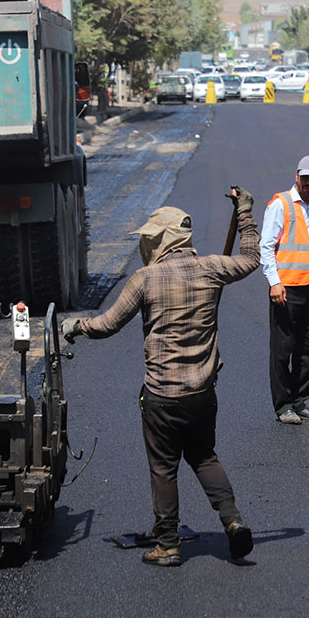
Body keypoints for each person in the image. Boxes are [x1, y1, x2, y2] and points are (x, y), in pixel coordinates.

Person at [63, 191, 260, 567]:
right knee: (203, 456)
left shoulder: (146, 278)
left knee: (163, 467)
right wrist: (245, 212)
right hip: (202, 393)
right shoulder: (212, 268)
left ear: (160, 240)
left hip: (161, 396)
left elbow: (107, 325)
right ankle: (233, 522)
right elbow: (251, 257)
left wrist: (76, 326)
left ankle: (168, 545)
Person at [262, 155, 309, 425]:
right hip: (287, 287)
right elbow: (266, 246)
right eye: (305, 178)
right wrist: (274, 282)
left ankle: (300, 401)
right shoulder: (280, 204)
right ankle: (283, 406)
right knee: (283, 348)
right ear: (297, 176)